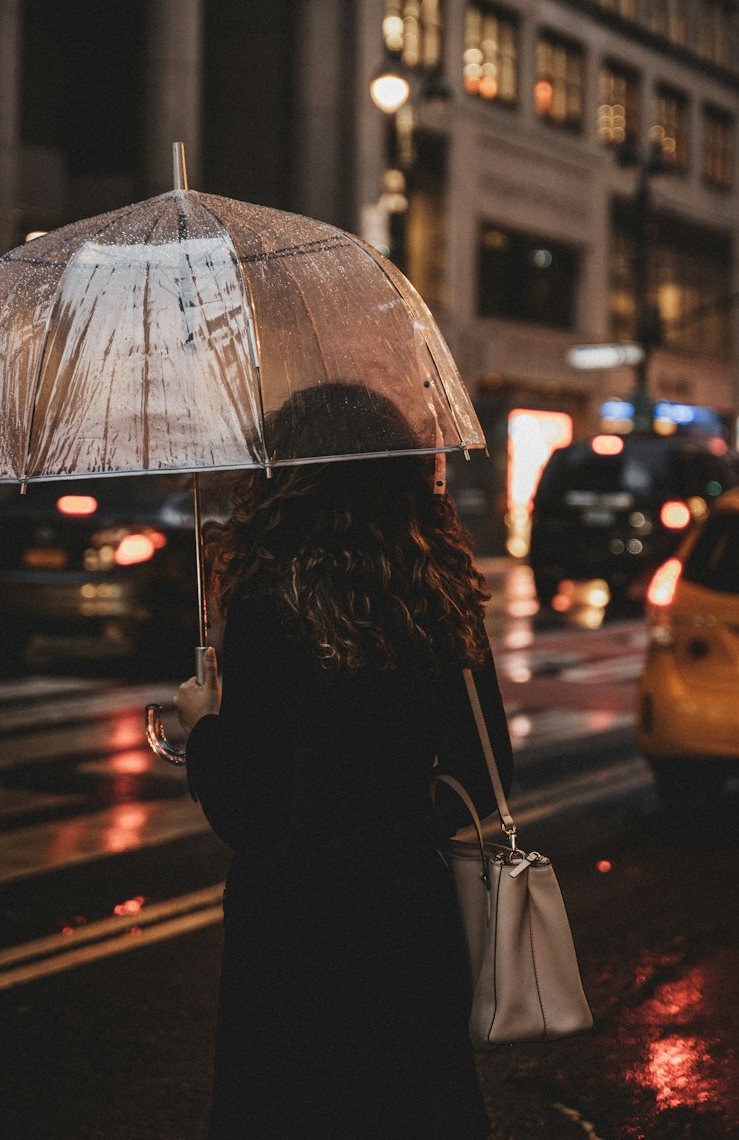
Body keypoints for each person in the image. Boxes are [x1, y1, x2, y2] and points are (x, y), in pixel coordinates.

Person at [174, 388, 513, 1140]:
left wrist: (204, 730)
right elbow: (488, 778)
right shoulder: (439, 594)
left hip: (297, 945)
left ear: (291, 478)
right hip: (411, 928)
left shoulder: (274, 606)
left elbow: (258, 812)